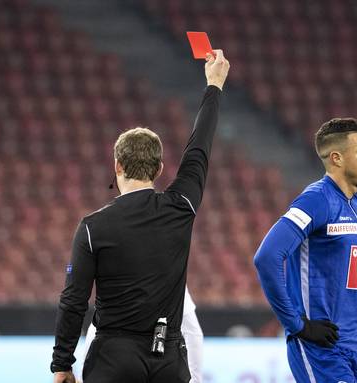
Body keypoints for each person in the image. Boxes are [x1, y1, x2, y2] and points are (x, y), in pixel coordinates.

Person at [50, 49, 230, 383]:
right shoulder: (181, 207)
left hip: (113, 359)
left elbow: (73, 300)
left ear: (117, 165)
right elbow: (199, 148)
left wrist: (62, 363)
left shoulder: (93, 227)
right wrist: (214, 85)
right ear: (160, 169)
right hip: (167, 357)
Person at [253, 118, 357, 383]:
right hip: (320, 350)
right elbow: (267, 257)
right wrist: (297, 325)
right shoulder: (316, 200)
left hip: (352, 349)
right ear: (337, 158)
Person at [80, 287, 204, 383]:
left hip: (116, 359)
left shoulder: (114, 266)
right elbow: (193, 332)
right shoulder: (170, 268)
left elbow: (98, 324)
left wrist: (83, 374)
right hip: (160, 361)